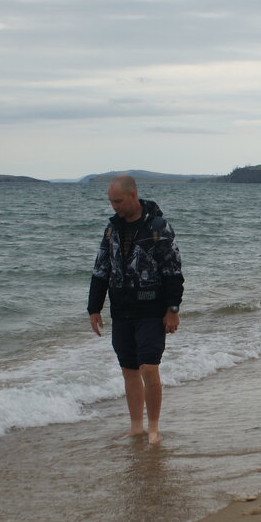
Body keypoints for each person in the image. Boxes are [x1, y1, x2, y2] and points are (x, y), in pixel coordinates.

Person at [87, 175, 183, 444]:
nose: (113, 206)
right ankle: (135, 427)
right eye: (110, 201)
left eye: (117, 201)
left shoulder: (158, 227)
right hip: (121, 311)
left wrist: (172, 309)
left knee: (149, 368)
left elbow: (173, 272)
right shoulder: (111, 230)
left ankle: (154, 428)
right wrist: (94, 308)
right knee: (128, 370)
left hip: (152, 310)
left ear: (133, 195)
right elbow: (101, 270)